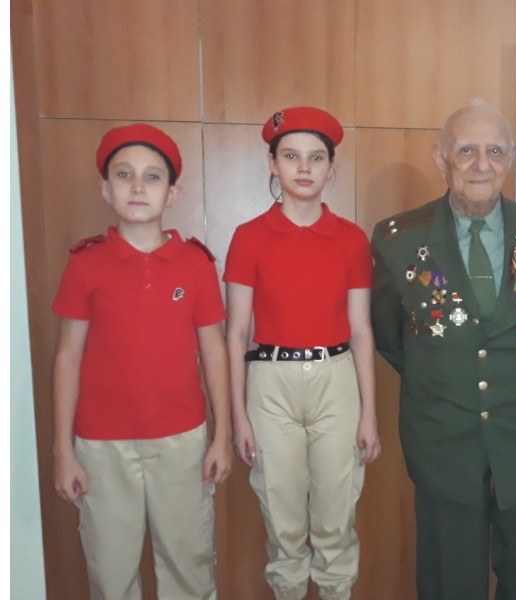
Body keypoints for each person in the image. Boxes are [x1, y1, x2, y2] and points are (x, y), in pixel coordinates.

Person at [371, 100, 516, 600]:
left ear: (511, 157)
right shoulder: (400, 240)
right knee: (449, 581)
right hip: (445, 439)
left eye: (495, 151)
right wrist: (448, 371)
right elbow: (390, 336)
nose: (481, 164)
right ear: (441, 158)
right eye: (466, 150)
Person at [51, 123, 232, 599]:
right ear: (105, 188)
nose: (137, 186)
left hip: (182, 439)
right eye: (124, 174)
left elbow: (214, 350)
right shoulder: (85, 263)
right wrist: (63, 450)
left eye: (152, 177)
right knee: (111, 571)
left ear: (173, 194)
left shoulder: (195, 264)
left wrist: (223, 435)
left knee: (188, 563)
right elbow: (67, 357)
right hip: (102, 445)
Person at [224, 106, 381, 600]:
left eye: (317, 157)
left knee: (337, 518)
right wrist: (237, 417)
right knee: (283, 521)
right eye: (291, 156)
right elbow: (236, 333)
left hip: (337, 379)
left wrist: (369, 414)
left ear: (332, 168)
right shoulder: (248, 237)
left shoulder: (351, 240)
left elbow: (361, 331)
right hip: (270, 383)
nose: (304, 167)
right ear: (272, 164)